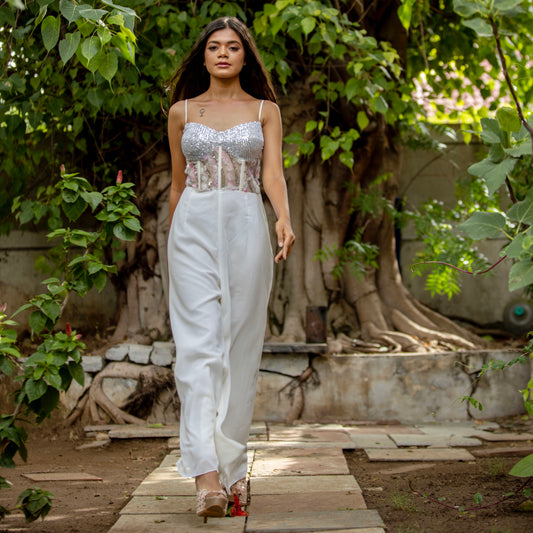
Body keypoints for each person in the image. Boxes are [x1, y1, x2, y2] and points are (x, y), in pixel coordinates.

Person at [166, 16, 295, 520]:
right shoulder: (181, 111)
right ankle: (206, 479)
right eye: (215, 47)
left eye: (233, 47)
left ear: (245, 56)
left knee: (240, 347)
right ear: (203, 56)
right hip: (193, 226)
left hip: (246, 223)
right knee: (197, 348)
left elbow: (273, 175)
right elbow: (178, 184)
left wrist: (284, 219)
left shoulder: (265, 111)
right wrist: (174, 235)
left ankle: (232, 463)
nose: (223, 54)